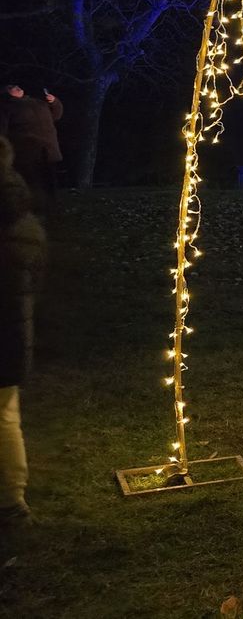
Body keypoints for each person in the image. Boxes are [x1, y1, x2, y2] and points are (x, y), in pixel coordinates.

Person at [0, 136, 45, 527]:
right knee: (5, 413)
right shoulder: (20, 214)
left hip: (8, 328)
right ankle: (11, 498)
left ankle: (11, 500)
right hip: (12, 331)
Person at [0, 85, 63, 206]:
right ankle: (32, 207)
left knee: (50, 180)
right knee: (31, 182)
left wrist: (54, 102)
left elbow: (56, 115)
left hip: (47, 148)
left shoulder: (38, 102)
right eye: (10, 87)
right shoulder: (6, 108)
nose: (16, 87)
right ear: (6, 93)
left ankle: (53, 204)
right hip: (27, 152)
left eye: (16, 85)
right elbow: (2, 131)